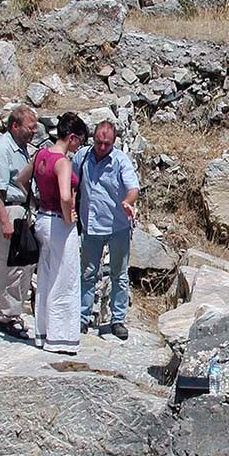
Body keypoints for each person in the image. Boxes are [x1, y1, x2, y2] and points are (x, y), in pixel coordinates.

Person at [21, 112, 88, 355]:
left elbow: (21, 179)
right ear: (71, 137)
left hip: (42, 219)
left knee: (46, 276)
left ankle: (43, 331)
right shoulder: (62, 162)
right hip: (59, 224)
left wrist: (39, 201)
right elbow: (65, 195)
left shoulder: (41, 155)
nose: (79, 145)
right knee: (65, 279)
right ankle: (61, 338)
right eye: (79, 140)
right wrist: (70, 217)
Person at [74, 121, 141, 339]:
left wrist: (128, 202)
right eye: (99, 143)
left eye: (107, 144)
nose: (102, 147)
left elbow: (132, 188)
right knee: (87, 273)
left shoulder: (121, 160)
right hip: (91, 225)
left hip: (117, 226)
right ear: (93, 139)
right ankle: (82, 318)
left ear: (114, 142)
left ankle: (118, 320)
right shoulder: (82, 156)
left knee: (118, 273)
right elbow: (72, 182)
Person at [0, 105, 37, 340]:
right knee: (10, 267)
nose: (34, 131)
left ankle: (14, 311)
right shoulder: (2, 150)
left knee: (23, 264)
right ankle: (6, 314)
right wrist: (5, 222)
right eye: (30, 127)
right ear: (15, 126)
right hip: (8, 211)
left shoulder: (22, 149)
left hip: (21, 212)